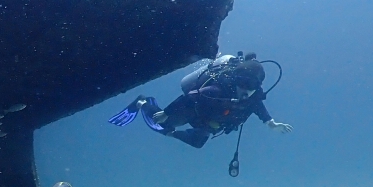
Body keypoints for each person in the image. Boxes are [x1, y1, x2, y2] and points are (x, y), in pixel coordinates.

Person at [109, 52, 293, 149]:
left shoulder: (253, 96)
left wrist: (270, 123)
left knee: (196, 143)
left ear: (257, 86)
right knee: (164, 123)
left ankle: (169, 132)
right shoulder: (218, 88)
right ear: (236, 79)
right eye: (242, 83)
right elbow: (190, 96)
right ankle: (143, 103)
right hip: (194, 109)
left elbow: (258, 107)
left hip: (210, 120)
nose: (245, 90)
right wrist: (166, 113)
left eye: (251, 85)